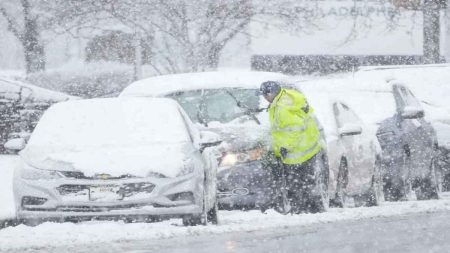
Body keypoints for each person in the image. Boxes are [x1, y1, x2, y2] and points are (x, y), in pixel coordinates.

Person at [259, 81, 325, 213]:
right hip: (309, 144)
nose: (264, 98)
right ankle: (308, 208)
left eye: (265, 95)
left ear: (271, 94)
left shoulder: (282, 108)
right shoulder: (286, 98)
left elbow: (295, 128)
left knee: (296, 182)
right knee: (305, 180)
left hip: (299, 150)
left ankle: (301, 208)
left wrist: (285, 147)